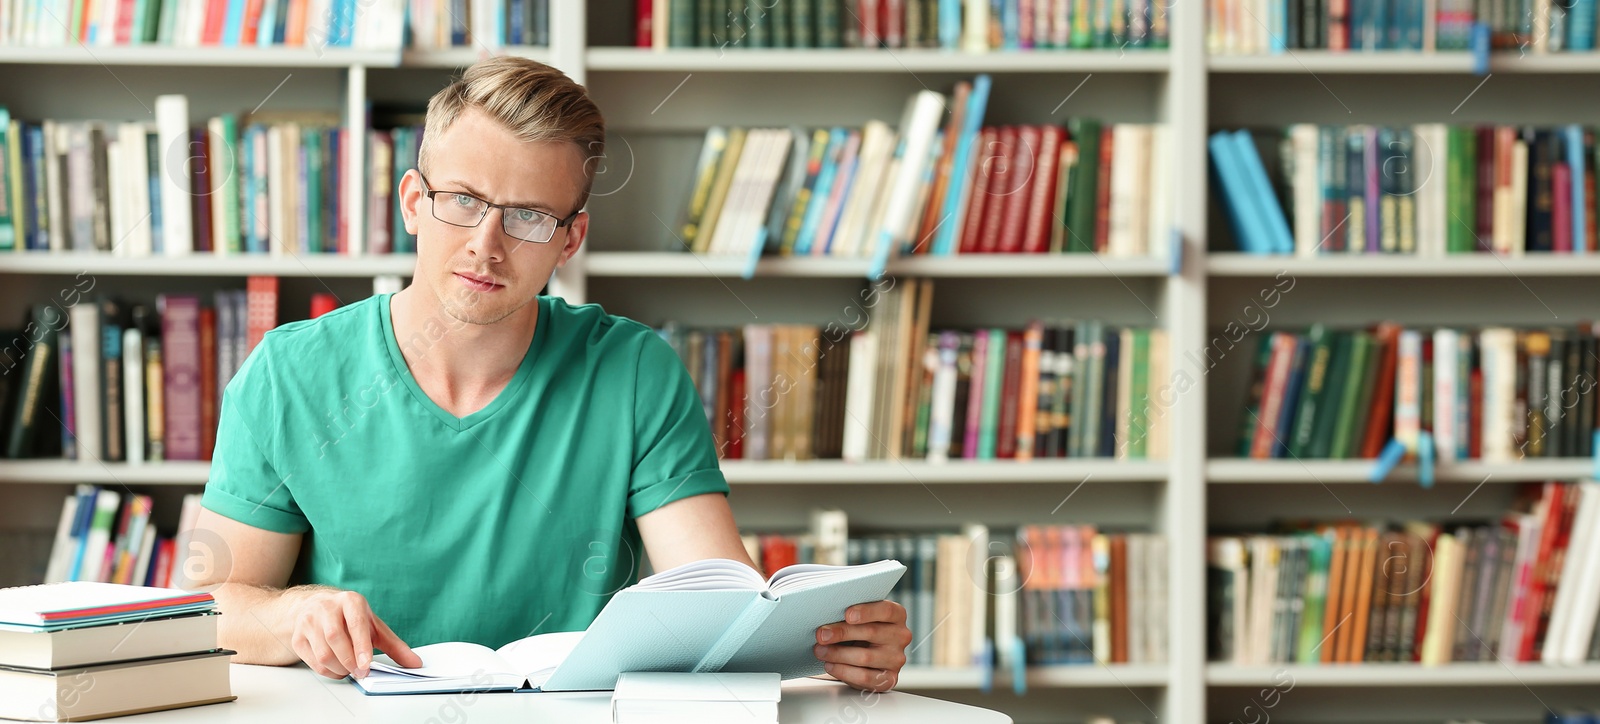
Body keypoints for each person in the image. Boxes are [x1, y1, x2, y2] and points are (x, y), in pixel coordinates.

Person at [189, 57, 911, 692]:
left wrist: (836, 645)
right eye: (463, 200)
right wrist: (293, 613)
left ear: (571, 238)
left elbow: (719, 602)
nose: (486, 246)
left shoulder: (633, 371)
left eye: (529, 217)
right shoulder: (289, 373)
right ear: (414, 201)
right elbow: (209, 606)